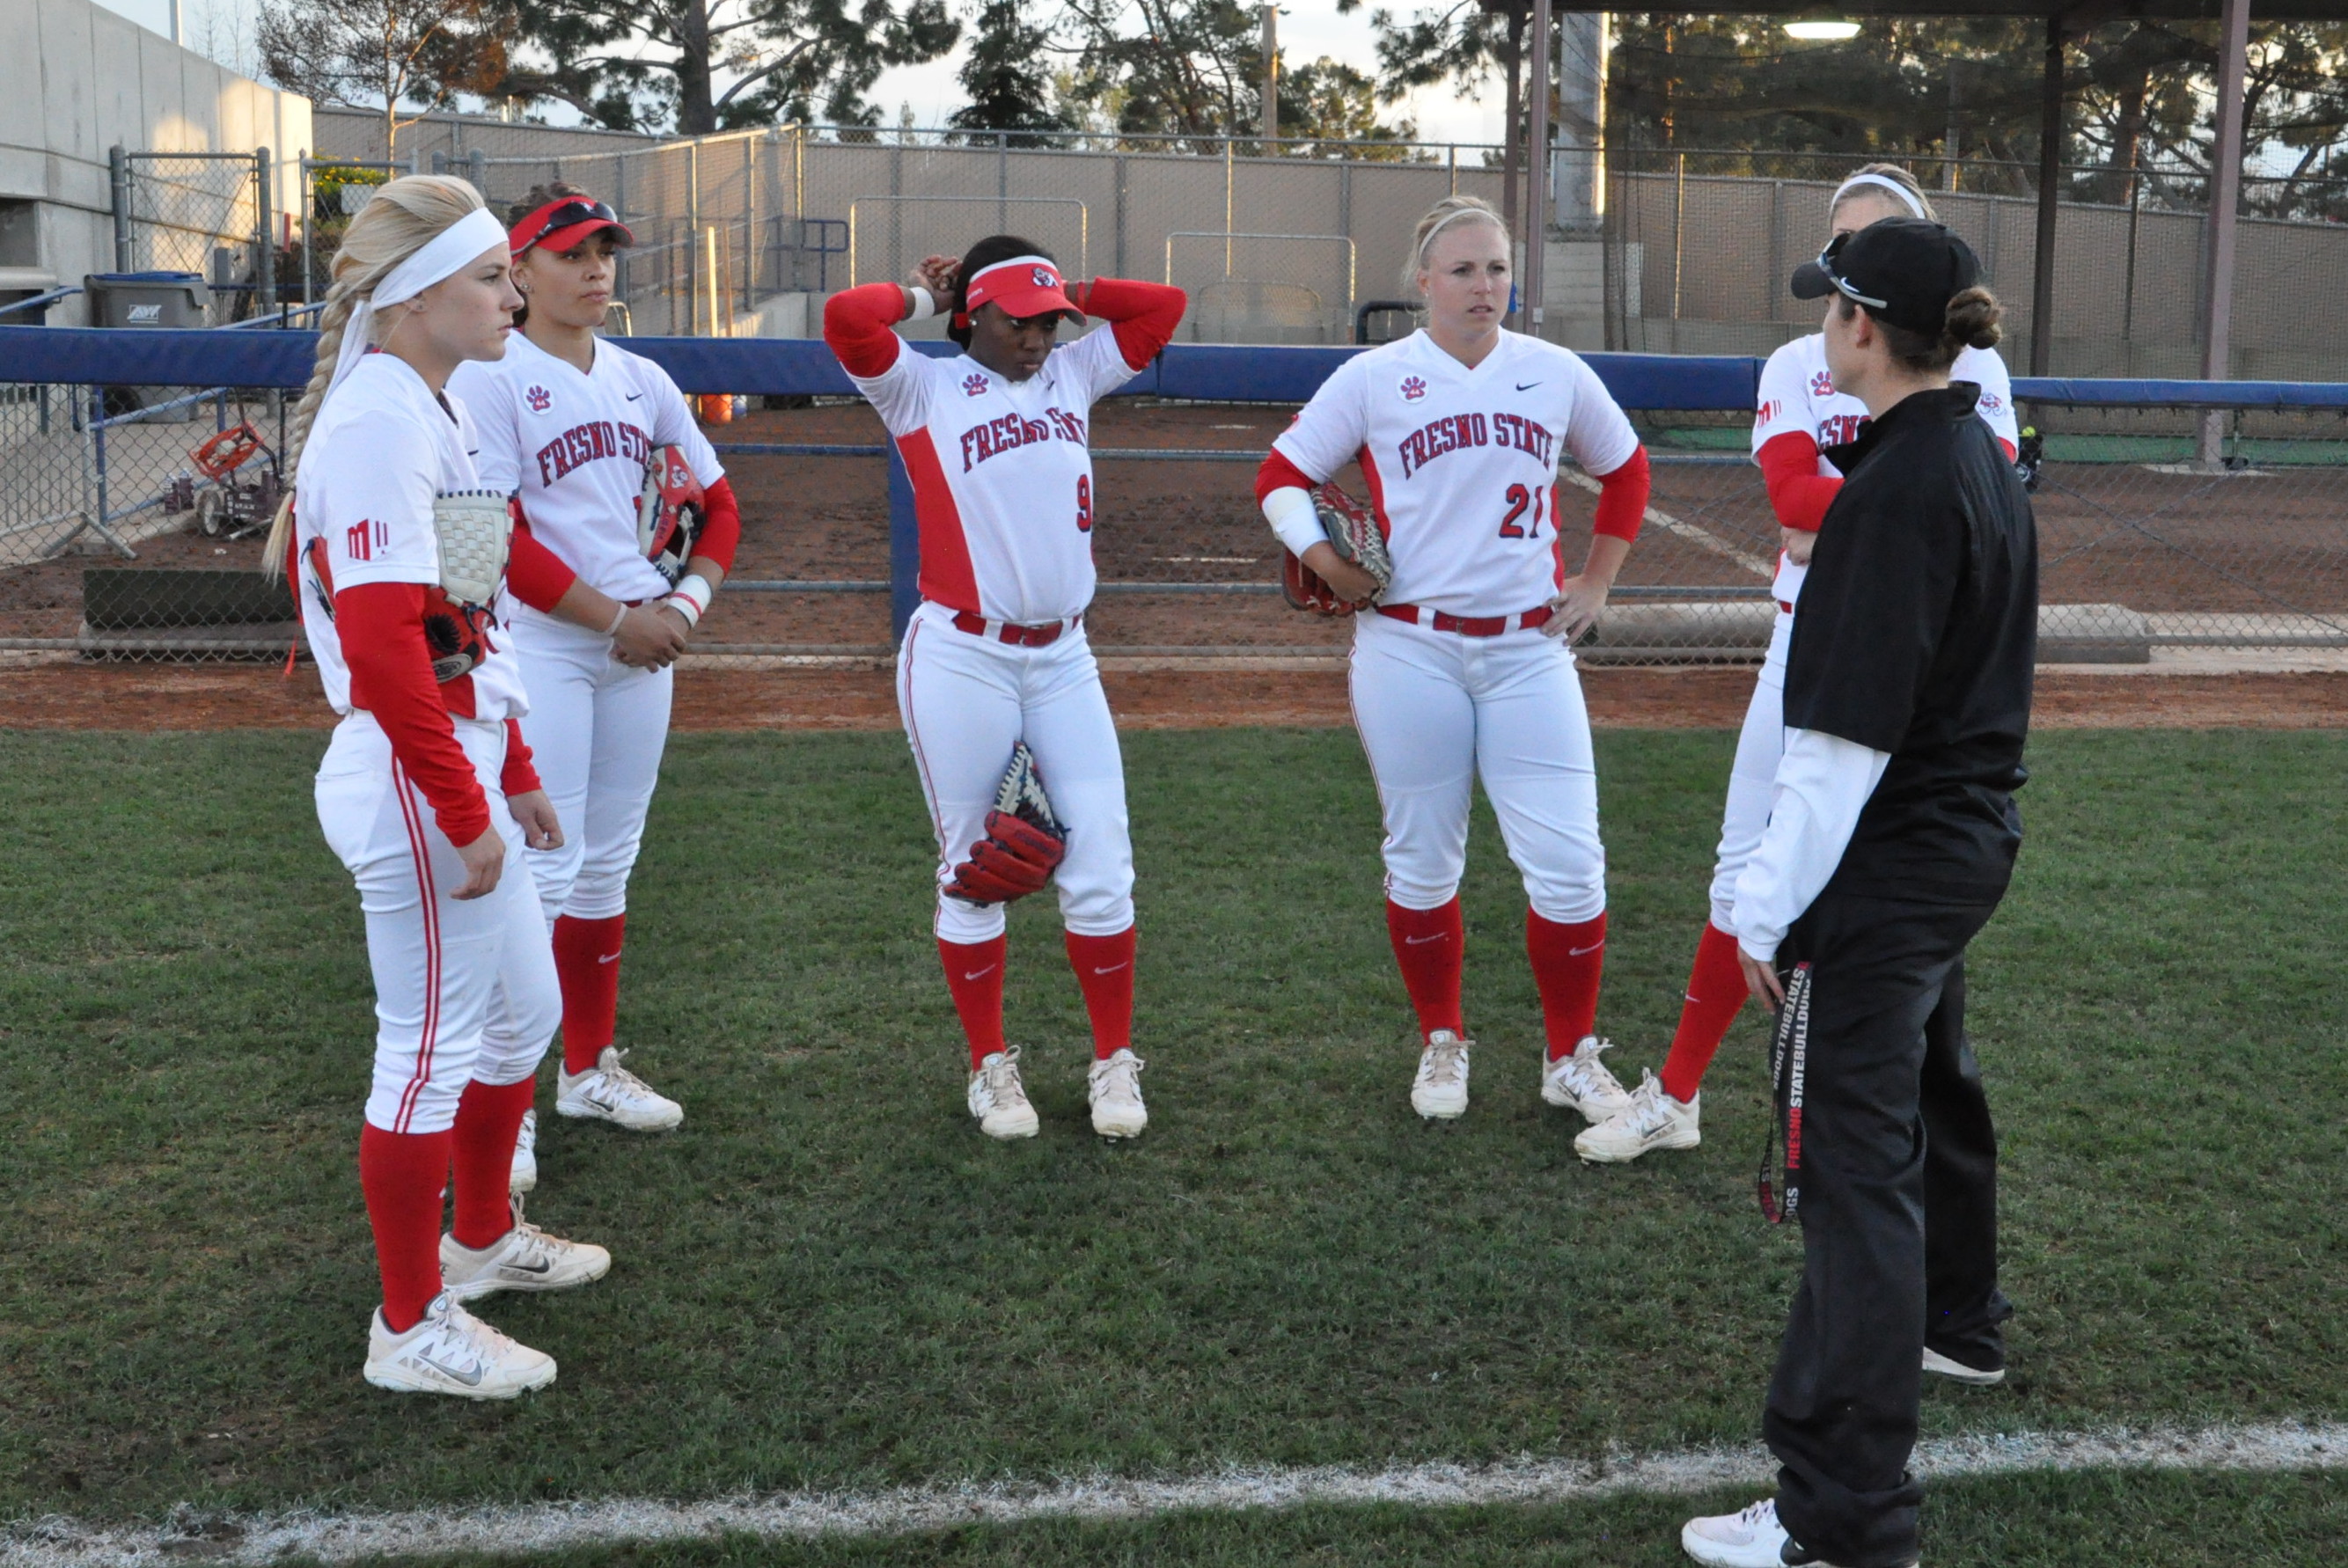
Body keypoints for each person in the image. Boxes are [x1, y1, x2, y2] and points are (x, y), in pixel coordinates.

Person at [1678, 217, 2036, 1568]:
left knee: (1853, 1174)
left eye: (1832, 307)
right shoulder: (1972, 455)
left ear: (1864, 327)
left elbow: (1841, 744)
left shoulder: (1899, 488)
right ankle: (1957, 1327)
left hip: (1896, 861)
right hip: (1955, 847)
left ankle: (1843, 1515)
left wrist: (1762, 906)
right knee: (1911, 1115)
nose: (1821, 326)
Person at [1576, 165, 2019, 1166]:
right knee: (1744, 868)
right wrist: (1880, 511)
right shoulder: (1794, 360)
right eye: (1839, 242)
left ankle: (1878, 1107)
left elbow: (1968, 498)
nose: (1845, 262)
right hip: (1802, 634)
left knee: (1894, 874)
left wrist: (1850, 514)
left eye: (1872, 241)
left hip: (1916, 649)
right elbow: (1790, 502)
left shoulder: (1977, 367)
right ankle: (1676, 1094)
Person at [266, 175, 611, 1400]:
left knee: (522, 1016)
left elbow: (465, 618)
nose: (512, 295)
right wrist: (466, 806)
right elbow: (382, 648)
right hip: (413, 771)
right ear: (416, 295)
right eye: (488, 276)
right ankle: (408, 1325)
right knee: (424, 1052)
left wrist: (511, 767)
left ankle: (478, 1241)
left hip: (459, 755)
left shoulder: (436, 404)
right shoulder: (380, 418)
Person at [1253, 194, 1655, 1125]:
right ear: (1424, 281)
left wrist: (1597, 582)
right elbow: (1281, 476)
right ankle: (1442, 1038)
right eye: (1465, 269)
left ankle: (1569, 1055)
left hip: (1529, 649)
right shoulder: (1376, 376)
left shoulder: (1553, 372)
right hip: (1409, 646)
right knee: (1423, 861)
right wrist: (1323, 562)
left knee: (1570, 866)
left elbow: (1627, 469)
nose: (1484, 285)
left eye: (1498, 268)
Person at [821, 237, 1186, 1139]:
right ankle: (990, 1065)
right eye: (1019, 320)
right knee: (975, 870)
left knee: (1102, 868)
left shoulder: (1072, 374)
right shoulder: (920, 387)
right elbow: (845, 319)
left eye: (1050, 321)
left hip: (1065, 659)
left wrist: (1061, 285)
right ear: (973, 317)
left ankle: (1112, 1061)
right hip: (961, 657)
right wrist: (924, 297)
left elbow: (1163, 307)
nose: (1038, 337)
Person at [451, 183, 743, 1181]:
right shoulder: (490, 376)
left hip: (641, 649)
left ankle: (585, 1070)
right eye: (571, 253)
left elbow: (721, 507)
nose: (594, 269)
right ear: (520, 270)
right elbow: (489, 538)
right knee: (540, 873)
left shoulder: (639, 378)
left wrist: (681, 611)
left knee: (607, 867)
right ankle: (507, 1102)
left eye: (604, 252)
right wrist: (622, 620)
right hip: (542, 646)